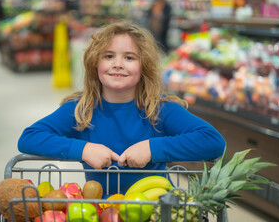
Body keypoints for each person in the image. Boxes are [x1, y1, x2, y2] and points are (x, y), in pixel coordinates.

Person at [18, 21, 226, 194]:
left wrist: (153, 148)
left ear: (144, 66)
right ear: (94, 64)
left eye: (129, 57)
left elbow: (213, 141)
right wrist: (83, 149)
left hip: (158, 209)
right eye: (108, 56)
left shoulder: (160, 108)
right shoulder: (81, 110)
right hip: (101, 209)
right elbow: (29, 137)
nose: (118, 64)